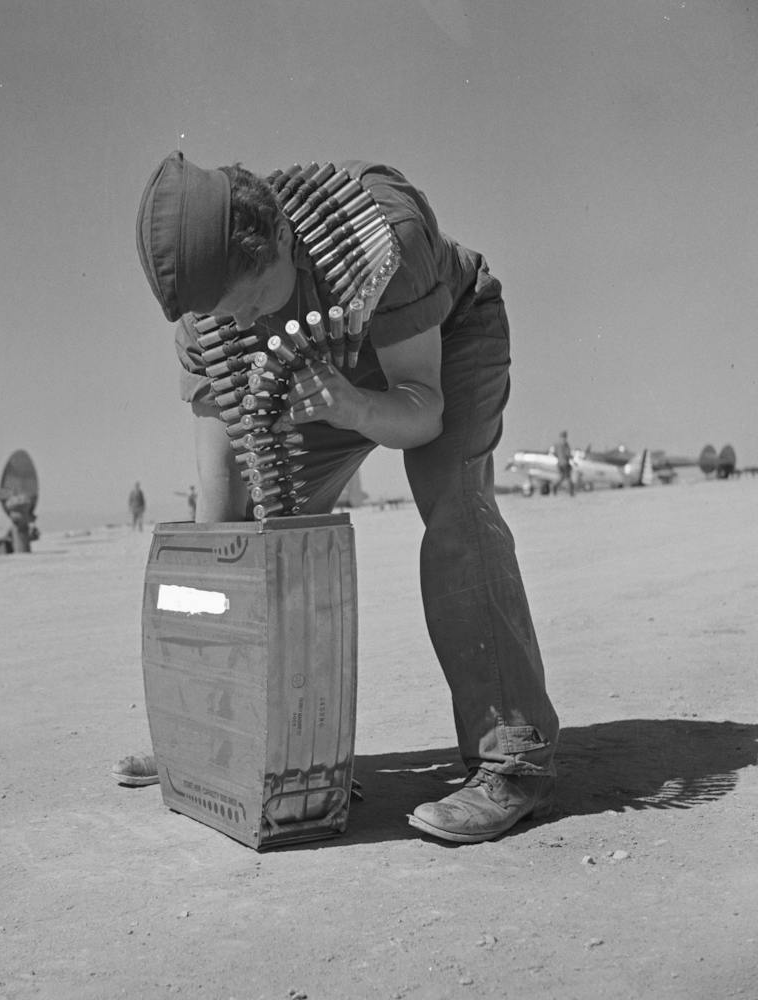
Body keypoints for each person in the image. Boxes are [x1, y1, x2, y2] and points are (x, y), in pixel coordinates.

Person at [125, 151, 559, 843]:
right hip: (320, 374)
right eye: (225, 312)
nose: (241, 321)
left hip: (442, 341)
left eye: (257, 300)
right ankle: (277, 749)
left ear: (286, 241)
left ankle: (513, 761)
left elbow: (422, 412)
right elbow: (222, 507)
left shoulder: (381, 237)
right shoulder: (208, 321)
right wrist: (213, 722)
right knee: (267, 533)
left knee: (456, 509)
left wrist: (355, 405)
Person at [552, 430, 575, 497]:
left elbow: (554, 453)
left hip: (559, 463)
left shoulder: (556, 444)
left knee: (562, 477)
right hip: (565, 463)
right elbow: (568, 454)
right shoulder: (565, 444)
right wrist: (571, 458)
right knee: (568, 478)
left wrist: (559, 457)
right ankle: (571, 492)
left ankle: (555, 486)